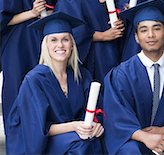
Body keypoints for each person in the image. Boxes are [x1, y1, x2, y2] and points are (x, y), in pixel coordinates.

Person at [104, 0, 164, 155]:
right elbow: (115, 117)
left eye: (157, 28)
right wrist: (145, 137)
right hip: (135, 141)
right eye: (144, 30)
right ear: (136, 37)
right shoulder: (122, 74)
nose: (151, 35)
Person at [6, 12, 104, 154]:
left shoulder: (82, 76)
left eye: (65, 39)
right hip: (44, 142)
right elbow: (36, 128)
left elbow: (97, 110)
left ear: (72, 45)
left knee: (94, 142)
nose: (60, 45)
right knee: (81, 146)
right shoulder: (34, 80)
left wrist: (95, 125)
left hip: (76, 136)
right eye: (53, 40)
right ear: (45, 45)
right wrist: (75, 126)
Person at [0, 0, 60, 129]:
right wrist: (31, 12)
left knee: (45, 97)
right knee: (19, 93)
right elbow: (2, 19)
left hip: (47, 46)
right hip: (19, 46)